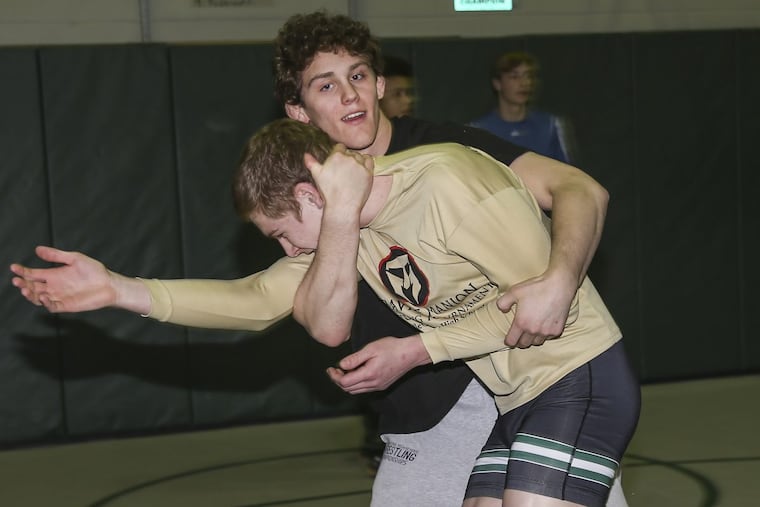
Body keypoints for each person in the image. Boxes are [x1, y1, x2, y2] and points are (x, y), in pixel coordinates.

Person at [10, 10, 625, 507]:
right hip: (433, 400)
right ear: (299, 112)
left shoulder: (447, 158)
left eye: (359, 76)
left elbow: (580, 191)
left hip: (520, 371)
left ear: (382, 85)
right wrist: (120, 288)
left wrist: (560, 280)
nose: (350, 95)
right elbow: (270, 300)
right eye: (326, 86)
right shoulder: (319, 207)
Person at [231, 118, 640, 507]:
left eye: (282, 234)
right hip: (515, 400)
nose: (290, 251)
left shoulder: (446, 184)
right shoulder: (360, 230)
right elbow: (319, 323)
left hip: (575, 379)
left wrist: (415, 351)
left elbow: (544, 311)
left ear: (307, 195)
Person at [470, 51, 572, 163]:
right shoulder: (479, 130)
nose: (525, 83)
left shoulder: (551, 126)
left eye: (529, 76)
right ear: (497, 83)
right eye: (514, 77)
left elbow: (566, 172)